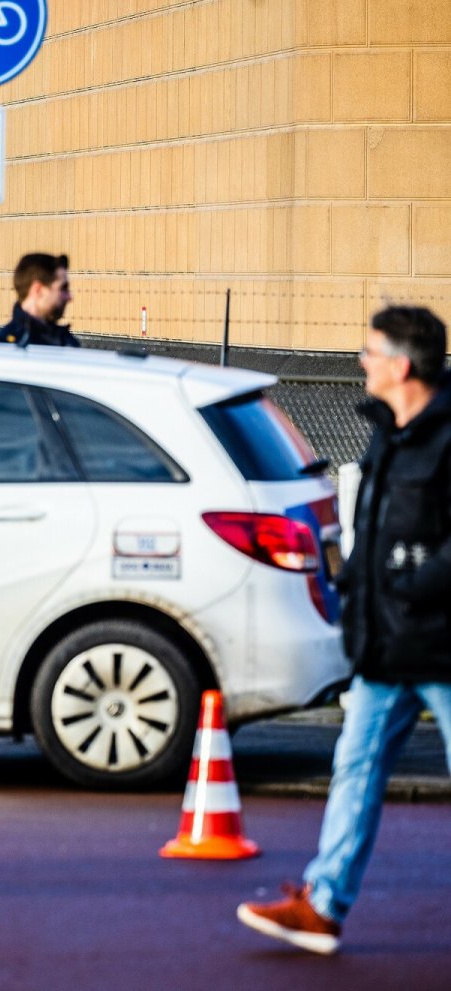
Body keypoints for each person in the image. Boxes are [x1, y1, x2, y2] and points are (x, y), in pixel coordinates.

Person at [237, 305, 451, 955]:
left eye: (369, 350)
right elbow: (383, 529)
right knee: (354, 766)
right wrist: (358, 585)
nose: (361, 361)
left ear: (402, 364)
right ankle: (323, 904)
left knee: (357, 766)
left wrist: (407, 588)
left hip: (441, 643)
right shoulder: (389, 431)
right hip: (389, 645)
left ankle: (325, 901)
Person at [0, 252, 79, 347]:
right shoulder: (3, 348)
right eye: (63, 288)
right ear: (38, 290)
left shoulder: (66, 341)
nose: (69, 297)